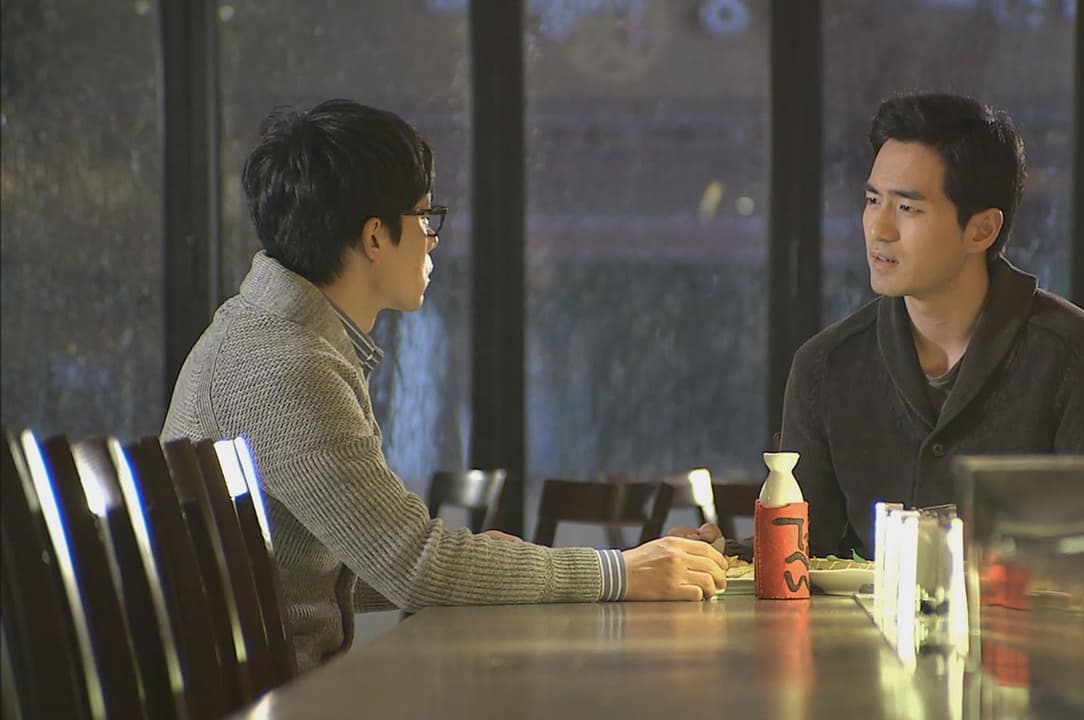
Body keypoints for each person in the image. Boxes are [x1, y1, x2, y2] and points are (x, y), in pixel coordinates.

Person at [162, 99, 726, 671]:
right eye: (425, 218)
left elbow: (329, 567)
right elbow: (413, 565)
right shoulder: (286, 366)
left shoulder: (267, 336)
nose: (433, 240)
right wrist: (621, 572)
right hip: (279, 700)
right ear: (375, 237)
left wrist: (492, 566)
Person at [674, 92, 1084, 561]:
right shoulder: (826, 365)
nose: (879, 228)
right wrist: (719, 556)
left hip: (1026, 608)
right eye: (872, 200)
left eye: (907, 208)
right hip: (870, 613)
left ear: (981, 229)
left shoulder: (1075, 352)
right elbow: (803, 550)